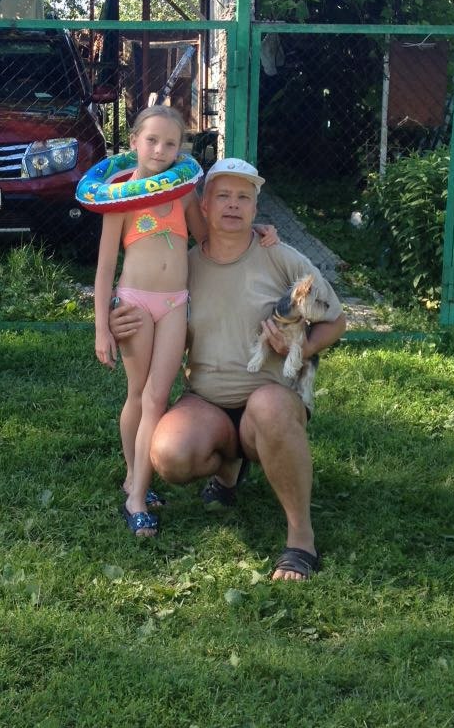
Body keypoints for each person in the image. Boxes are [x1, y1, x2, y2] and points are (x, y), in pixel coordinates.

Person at [109, 156, 347, 580]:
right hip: (207, 399)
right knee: (170, 454)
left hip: (269, 395)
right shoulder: (184, 266)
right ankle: (229, 468)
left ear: (256, 209)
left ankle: (300, 539)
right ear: (204, 207)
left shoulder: (282, 257)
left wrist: (303, 348)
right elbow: (155, 314)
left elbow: (337, 319)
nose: (233, 206)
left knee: (270, 410)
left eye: (244, 197)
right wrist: (121, 318)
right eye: (223, 196)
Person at [92, 108, 277, 538]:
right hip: (135, 303)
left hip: (174, 304)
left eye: (170, 143)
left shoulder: (180, 193)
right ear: (134, 141)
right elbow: (103, 270)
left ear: (181, 149)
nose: (160, 150)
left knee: (159, 396)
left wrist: (261, 230)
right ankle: (135, 491)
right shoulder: (120, 194)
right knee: (139, 394)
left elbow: (209, 237)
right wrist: (102, 326)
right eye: (152, 140)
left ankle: (138, 484)